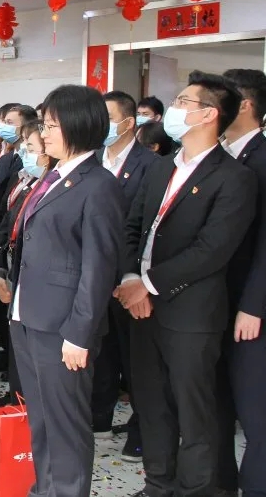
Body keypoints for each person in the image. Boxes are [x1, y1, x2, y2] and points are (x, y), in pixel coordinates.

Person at [118, 72, 254, 497]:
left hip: (191, 312)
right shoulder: (161, 167)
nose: (173, 109)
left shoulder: (233, 177)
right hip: (140, 306)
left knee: (196, 413)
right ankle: (158, 485)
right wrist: (130, 278)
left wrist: (148, 285)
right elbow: (133, 226)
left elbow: (211, 250)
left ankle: (197, 490)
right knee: (151, 404)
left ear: (208, 114)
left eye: (182, 102)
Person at [9, 84, 124, 497]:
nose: (44, 134)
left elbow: (98, 266)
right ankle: (46, 488)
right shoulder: (54, 177)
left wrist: (80, 333)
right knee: (41, 418)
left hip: (63, 326)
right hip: (29, 316)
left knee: (66, 424)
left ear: (78, 125)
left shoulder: (98, 184)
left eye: (51, 125)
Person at [91, 90, 158, 459]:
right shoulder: (92, 160)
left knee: (136, 361)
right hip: (96, 275)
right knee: (100, 353)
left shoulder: (150, 165)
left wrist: (131, 275)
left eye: (109, 118)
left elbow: (144, 227)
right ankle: (98, 419)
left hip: (130, 276)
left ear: (128, 123)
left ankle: (141, 429)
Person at [0, 119, 54, 407]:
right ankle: (17, 395)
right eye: (24, 146)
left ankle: (26, 399)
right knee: (17, 341)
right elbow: (6, 224)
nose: (25, 152)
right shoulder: (24, 182)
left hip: (35, 279)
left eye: (32, 147)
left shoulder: (50, 188)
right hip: (10, 269)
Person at [220, 68, 266, 497]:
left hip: (251, 310)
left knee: (256, 413)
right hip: (220, 302)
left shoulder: (261, 159)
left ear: (245, 105)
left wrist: (254, 304)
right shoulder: (224, 156)